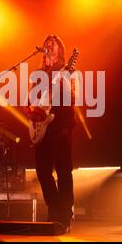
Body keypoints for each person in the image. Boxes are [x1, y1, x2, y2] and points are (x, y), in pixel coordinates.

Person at [26, 35, 77, 230]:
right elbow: (30, 98)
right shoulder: (38, 73)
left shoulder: (68, 70)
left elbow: (73, 97)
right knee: (43, 171)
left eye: (53, 42)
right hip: (42, 125)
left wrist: (65, 86)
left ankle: (64, 213)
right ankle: (56, 208)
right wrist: (30, 111)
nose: (48, 43)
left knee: (64, 170)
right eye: (47, 41)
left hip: (62, 123)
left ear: (60, 49)